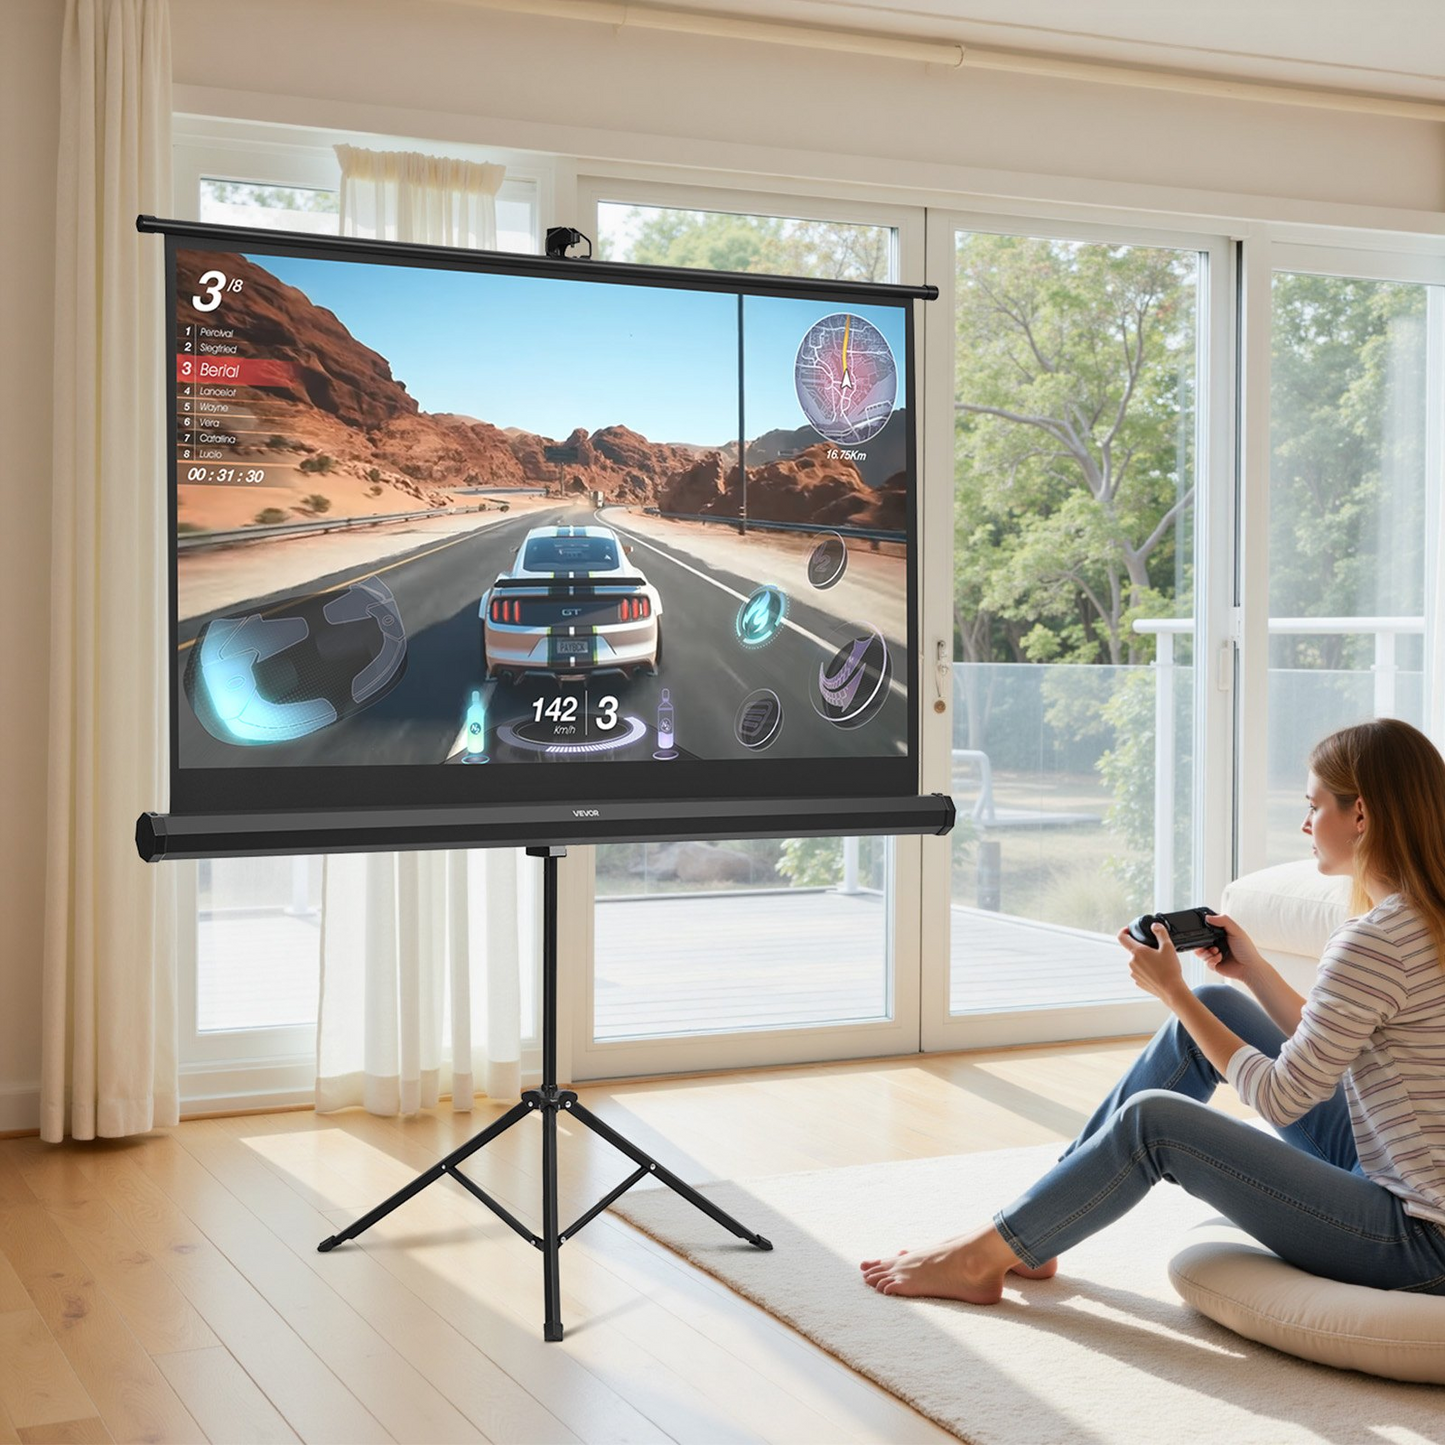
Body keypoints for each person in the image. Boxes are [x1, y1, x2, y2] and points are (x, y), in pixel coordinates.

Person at [861, 717, 1445, 1303]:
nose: (1304, 824)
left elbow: (1281, 1095)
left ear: (1361, 815)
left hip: (1420, 1241)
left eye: (1314, 806)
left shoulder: (1374, 942)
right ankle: (1032, 1222)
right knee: (1221, 1003)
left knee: (1153, 1121)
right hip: (1410, 1182)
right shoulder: (1421, 919)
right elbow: (1329, 1047)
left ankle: (986, 1255)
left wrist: (1175, 995)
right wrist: (1254, 971)